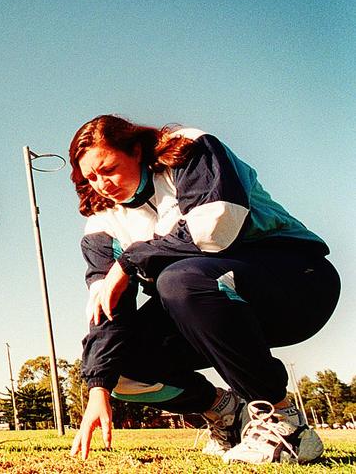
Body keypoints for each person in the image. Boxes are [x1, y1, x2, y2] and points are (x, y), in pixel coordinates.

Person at [67, 115, 340, 465]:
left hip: (297, 283)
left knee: (179, 280)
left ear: (136, 150)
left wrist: (132, 260)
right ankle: (224, 412)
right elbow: (107, 307)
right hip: (210, 308)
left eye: (109, 168)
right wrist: (98, 387)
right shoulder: (101, 224)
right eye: (91, 177)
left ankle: (284, 422)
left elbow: (215, 227)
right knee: (120, 369)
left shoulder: (186, 150)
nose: (102, 184)